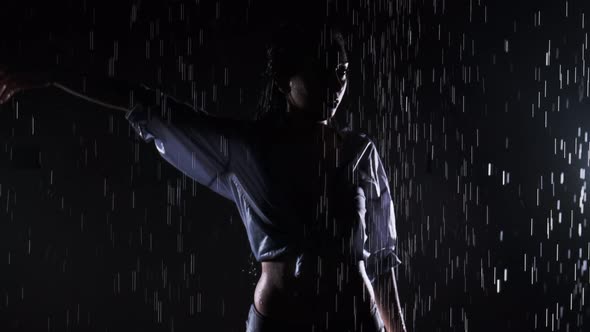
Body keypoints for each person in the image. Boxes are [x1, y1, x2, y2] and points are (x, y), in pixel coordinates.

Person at [0, 22, 406, 332]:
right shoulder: (247, 149)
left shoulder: (360, 151)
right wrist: (55, 75)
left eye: (343, 72)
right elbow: (147, 104)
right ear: (285, 80)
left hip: (355, 316)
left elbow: (383, 265)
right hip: (284, 321)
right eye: (322, 71)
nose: (336, 85)